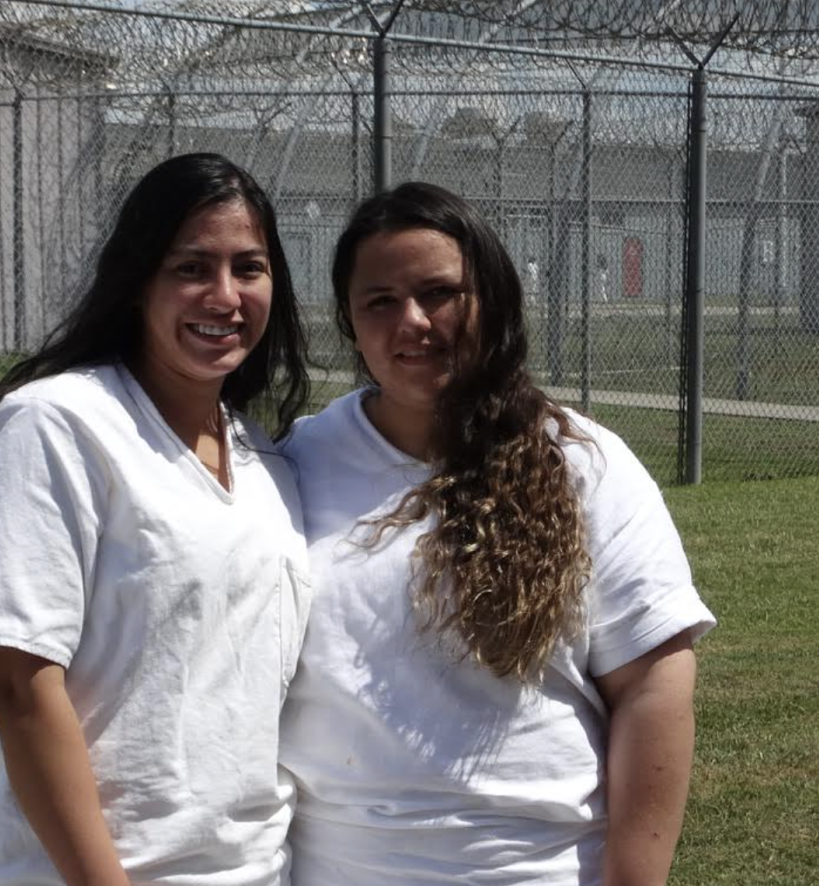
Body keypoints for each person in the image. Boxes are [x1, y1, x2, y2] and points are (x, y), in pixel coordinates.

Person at [279, 182, 715, 886]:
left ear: (493, 300)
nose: (412, 321)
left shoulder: (584, 464)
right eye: (380, 301)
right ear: (349, 323)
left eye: (440, 293)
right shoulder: (294, 465)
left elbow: (652, 687)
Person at [0, 153, 311, 886]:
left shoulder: (262, 455)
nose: (225, 295)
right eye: (191, 268)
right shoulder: (57, 426)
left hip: (250, 867)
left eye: (248, 267)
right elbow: (20, 685)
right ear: (139, 279)